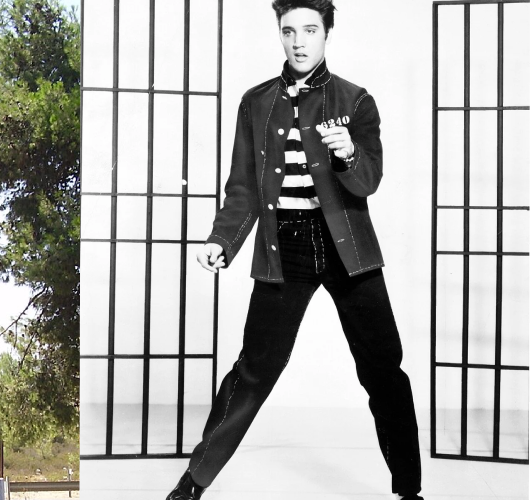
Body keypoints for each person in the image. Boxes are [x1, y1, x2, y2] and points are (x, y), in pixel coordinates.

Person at [165, 1, 423, 499]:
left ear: (327, 32)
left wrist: (348, 151)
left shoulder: (357, 100)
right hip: (285, 249)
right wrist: (222, 241)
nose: (299, 41)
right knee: (254, 371)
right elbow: (241, 188)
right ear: (279, 35)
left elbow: (368, 182)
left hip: (349, 247)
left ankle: (409, 491)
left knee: (383, 369)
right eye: (289, 31)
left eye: (310, 29)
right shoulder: (256, 102)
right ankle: (192, 484)